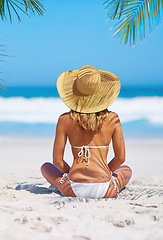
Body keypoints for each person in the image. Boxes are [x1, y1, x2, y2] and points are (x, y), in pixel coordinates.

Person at [41, 65, 132, 198]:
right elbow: (121, 158)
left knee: (46, 167)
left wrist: (70, 173)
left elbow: (57, 162)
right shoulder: (113, 119)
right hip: (105, 189)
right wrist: (106, 171)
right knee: (126, 170)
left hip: (73, 187)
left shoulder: (64, 119)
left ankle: (66, 182)